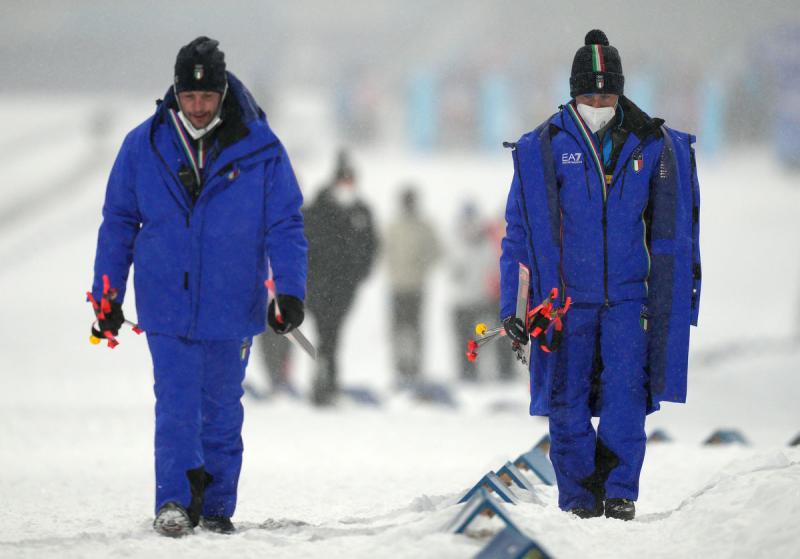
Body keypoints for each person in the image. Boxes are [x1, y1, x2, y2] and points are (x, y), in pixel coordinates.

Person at [89, 37, 308, 537]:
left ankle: (215, 507)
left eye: (207, 96)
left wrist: (290, 291)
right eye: (189, 96)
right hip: (167, 303)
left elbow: (285, 222)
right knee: (176, 407)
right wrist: (106, 295)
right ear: (176, 91)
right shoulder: (143, 145)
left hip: (233, 302)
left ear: (223, 91)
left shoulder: (262, 149)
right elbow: (118, 223)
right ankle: (174, 502)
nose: (198, 106)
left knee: (222, 411)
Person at [499, 30, 701, 521]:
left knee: (626, 398)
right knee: (565, 401)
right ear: (573, 94)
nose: (597, 104)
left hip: (629, 302)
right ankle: (578, 498)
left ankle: (619, 491)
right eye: (588, 96)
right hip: (565, 303)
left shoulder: (651, 143)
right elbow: (519, 236)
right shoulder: (544, 147)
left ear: (620, 93)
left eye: (606, 96)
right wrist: (515, 306)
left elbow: (673, 231)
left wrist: (674, 297)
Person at [303, 150, 377, 405]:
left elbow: (371, 245)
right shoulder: (317, 208)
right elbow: (305, 244)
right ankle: (324, 382)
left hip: (345, 285)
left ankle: (326, 380)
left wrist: (361, 272)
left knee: (332, 333)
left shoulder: (361, 211)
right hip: (318, 284)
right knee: (326, 333)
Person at [385, 186, 441, 386]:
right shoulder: (393, 227)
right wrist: (393, 270)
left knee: (415, 329)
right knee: (398, 329)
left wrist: (421, 266)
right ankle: (400, 368)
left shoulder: (424, 227)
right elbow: (384, 252)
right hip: (397, 286)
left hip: (417, 286)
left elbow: (436, 252)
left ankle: (416, 368)